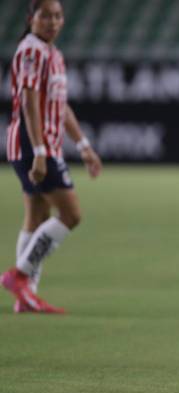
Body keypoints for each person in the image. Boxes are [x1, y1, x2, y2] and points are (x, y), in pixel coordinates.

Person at [2, 0, 102, 313]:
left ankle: (26, 296)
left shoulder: (53, 54)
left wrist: (83, 145)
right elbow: (30, 102)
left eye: (58, 16)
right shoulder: (31, 50)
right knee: (71, 215)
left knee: (36, 217)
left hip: (40, 144)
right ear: (32, 18)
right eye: (46, 15)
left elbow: (60, 107)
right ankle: (19, 276)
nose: (53, 22)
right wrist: (41, 152)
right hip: (33, 143)